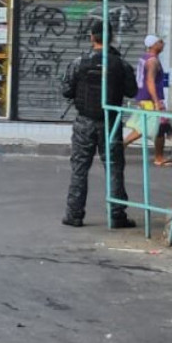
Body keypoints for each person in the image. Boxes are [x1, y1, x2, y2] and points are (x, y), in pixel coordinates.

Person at [60, 21, 139, 229]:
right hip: (110, 123)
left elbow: (66, 90)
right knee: (114, 168)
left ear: (91, 37)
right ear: (111, 37)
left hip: (84, 122)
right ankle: (116, 215)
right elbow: (132, 91)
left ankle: (74, 214)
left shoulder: (79, 62)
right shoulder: (120, 65)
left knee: (79, 168)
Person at [123, 35, 172, 166]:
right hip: (150, 100)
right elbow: (150, 81)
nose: (163, 44)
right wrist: (157, 102)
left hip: (144, 98)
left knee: (158, 128)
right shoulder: (152, 61)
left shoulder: (144, 57)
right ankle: (119, 146)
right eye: (160, 42)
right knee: (149, 127)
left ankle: (159, 157)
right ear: (154, 45)